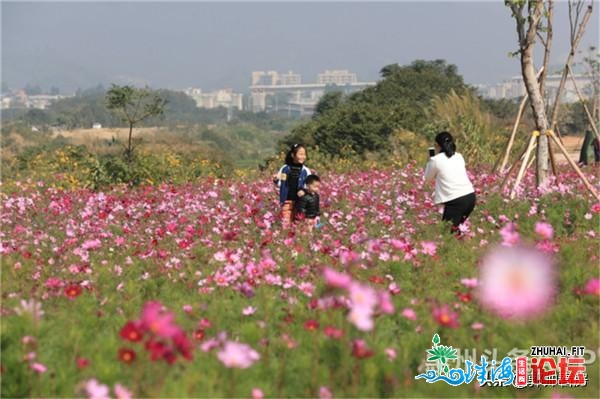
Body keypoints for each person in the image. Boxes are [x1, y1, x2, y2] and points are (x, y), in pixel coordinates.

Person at [424, 132, 476, 233]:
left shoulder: (435, 160)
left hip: (455, 201)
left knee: (446, 234)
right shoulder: (459, 156)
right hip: (470, 197)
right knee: (456, 232)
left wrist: (430, 161)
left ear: (438, 146)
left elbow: (427, 178)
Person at [273, 144, 312, 227]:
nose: (303, 157)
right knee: (286, 225)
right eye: (300, 154)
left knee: (297, 224)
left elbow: (309, 187)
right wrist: (276, 180)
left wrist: (304, 191)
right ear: (293, 155)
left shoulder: (306, 171)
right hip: (286, 201)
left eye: (304, 154)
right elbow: (281, 183)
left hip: (300, 203)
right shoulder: (285, 168)